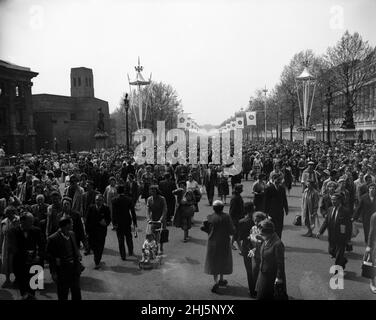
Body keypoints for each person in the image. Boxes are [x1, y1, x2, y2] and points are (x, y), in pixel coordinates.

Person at [46, 216, 82, 300]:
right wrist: (53, 272)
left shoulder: (72, 234)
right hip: (62, 272)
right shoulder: (53, 239)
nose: (73, 225)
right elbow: (49, 256)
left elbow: (75, 248)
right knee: (63, 294)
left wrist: (78, 256)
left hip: (74, 270)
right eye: (71, 223)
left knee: (76, 293)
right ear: (66, 225)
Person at [202, 200, 235, 294]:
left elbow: (204, 228)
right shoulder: (227, 217)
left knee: (214, 262)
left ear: (213, 208)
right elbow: (232, 230)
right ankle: (221, 279)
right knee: (222, 260)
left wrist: (209, 231)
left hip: (212, 242)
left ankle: (216, 281)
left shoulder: (209, 217)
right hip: (224, 242)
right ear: (222, 208)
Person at [12, 213, 44, 300]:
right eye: (30, 221)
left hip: (34, 263)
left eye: (32, 221)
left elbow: (42, 246)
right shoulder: (14, 231)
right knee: (23, 286)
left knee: (33, 287)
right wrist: (25, 255)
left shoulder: (36, 230)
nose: (32, 223)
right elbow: (13, 247)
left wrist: (38, 256)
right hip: (20, 262)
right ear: (22, 221)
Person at [316, 193, 351, 270]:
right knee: (331, 251)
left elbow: (349, 226)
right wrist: (320, 232)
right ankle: (343, 260)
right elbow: (326, 222)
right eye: (332, 199)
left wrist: (348, 239)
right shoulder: (330, 209)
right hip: (331, 236)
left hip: (341, 237)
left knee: (339, 254)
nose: (333, 201)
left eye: (334, 200)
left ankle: (337, 270)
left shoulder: (345, 211)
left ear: (339, 200)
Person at [256, 219, 286, 300]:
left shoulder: (278, 244)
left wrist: (279, 278)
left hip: (271, 277)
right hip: (263, 274)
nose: (260, 234)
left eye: (261, 233)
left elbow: (280, 263)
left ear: (268, 232)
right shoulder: (267, 238)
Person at [112, 185, 137, 260]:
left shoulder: (114, 200)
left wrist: (114, 223)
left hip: (118, 221)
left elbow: (113, 213)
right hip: (127, 220)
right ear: (124, 191)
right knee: (129, 237)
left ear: (117, 191)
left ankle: (123, 255)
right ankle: (130, 251)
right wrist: (135, 222)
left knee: (120, 239)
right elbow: (132, 211)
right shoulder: (128, 199)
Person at [85, 194, 111, 269]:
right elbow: (87, 219)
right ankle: (96, 257)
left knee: (100, 247)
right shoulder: (91, 207)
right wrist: (86, 231)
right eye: (96, 200)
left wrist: (105, 222)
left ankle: (97, 261)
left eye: (99, 200)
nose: (98, 202)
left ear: (103, 201)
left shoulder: (106, 208)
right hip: (92, 232)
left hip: (101, 232)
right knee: (93, 246)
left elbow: (109, 219)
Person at [237, 201, 256, 297]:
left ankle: (252, 291)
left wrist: (240, 248)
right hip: (257, 246)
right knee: (258, 267)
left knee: (249, 269)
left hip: (246, 246)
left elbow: (239, 237)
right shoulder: (258, 220)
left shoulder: (241, 222)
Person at [264, 173, 288, 239]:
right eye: (276, 180)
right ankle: (271, 240)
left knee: (279, 227)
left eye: (279, 180)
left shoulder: (282, 189)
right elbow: (266, 201)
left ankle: (278, 240)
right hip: (271, 211)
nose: (278, 181)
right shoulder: (269, 188)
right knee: (272, 227)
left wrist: (286, 209)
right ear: (273, 180)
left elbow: (284, 199)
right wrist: (266, 212)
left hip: (280, 211)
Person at [0, 206, 20, 288]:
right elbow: (1, 235)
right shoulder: (3, 222)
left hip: (16, 243)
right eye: (6, 213)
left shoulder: (18, 220)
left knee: (16, 262)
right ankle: (7, 279)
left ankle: (17, 279)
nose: (7, 214)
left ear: (13, 212)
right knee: (6, 262)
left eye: (9, 213)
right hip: (6, 244)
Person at [146, 185, 167, 253]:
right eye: (151, 191)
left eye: (154, 191)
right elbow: (148, 210)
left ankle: (161, 247)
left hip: (161, 218)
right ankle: (155, 247)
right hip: (153, 219)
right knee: (153, 234)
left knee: (161, 233)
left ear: (156, 191)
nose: (153, 193)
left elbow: (165, 209)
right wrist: (148, 218)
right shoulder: (149, 199)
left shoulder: (162, 198)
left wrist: (161, 219)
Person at [229, 184, 244, 251]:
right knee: (237, 234)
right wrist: (232, 220)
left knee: (236, 233)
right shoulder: (235, 198)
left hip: (239, 217)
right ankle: (241, 249)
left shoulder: (237, 196)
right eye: (241, 188)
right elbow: (232, 210)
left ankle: (231, 244)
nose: (242, 190)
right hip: (236, 218)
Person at [365, 211, 376, 293]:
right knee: (372, 264)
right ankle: (372, 283)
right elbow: (371, 231)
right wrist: (369, 246)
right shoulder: (374, 216)